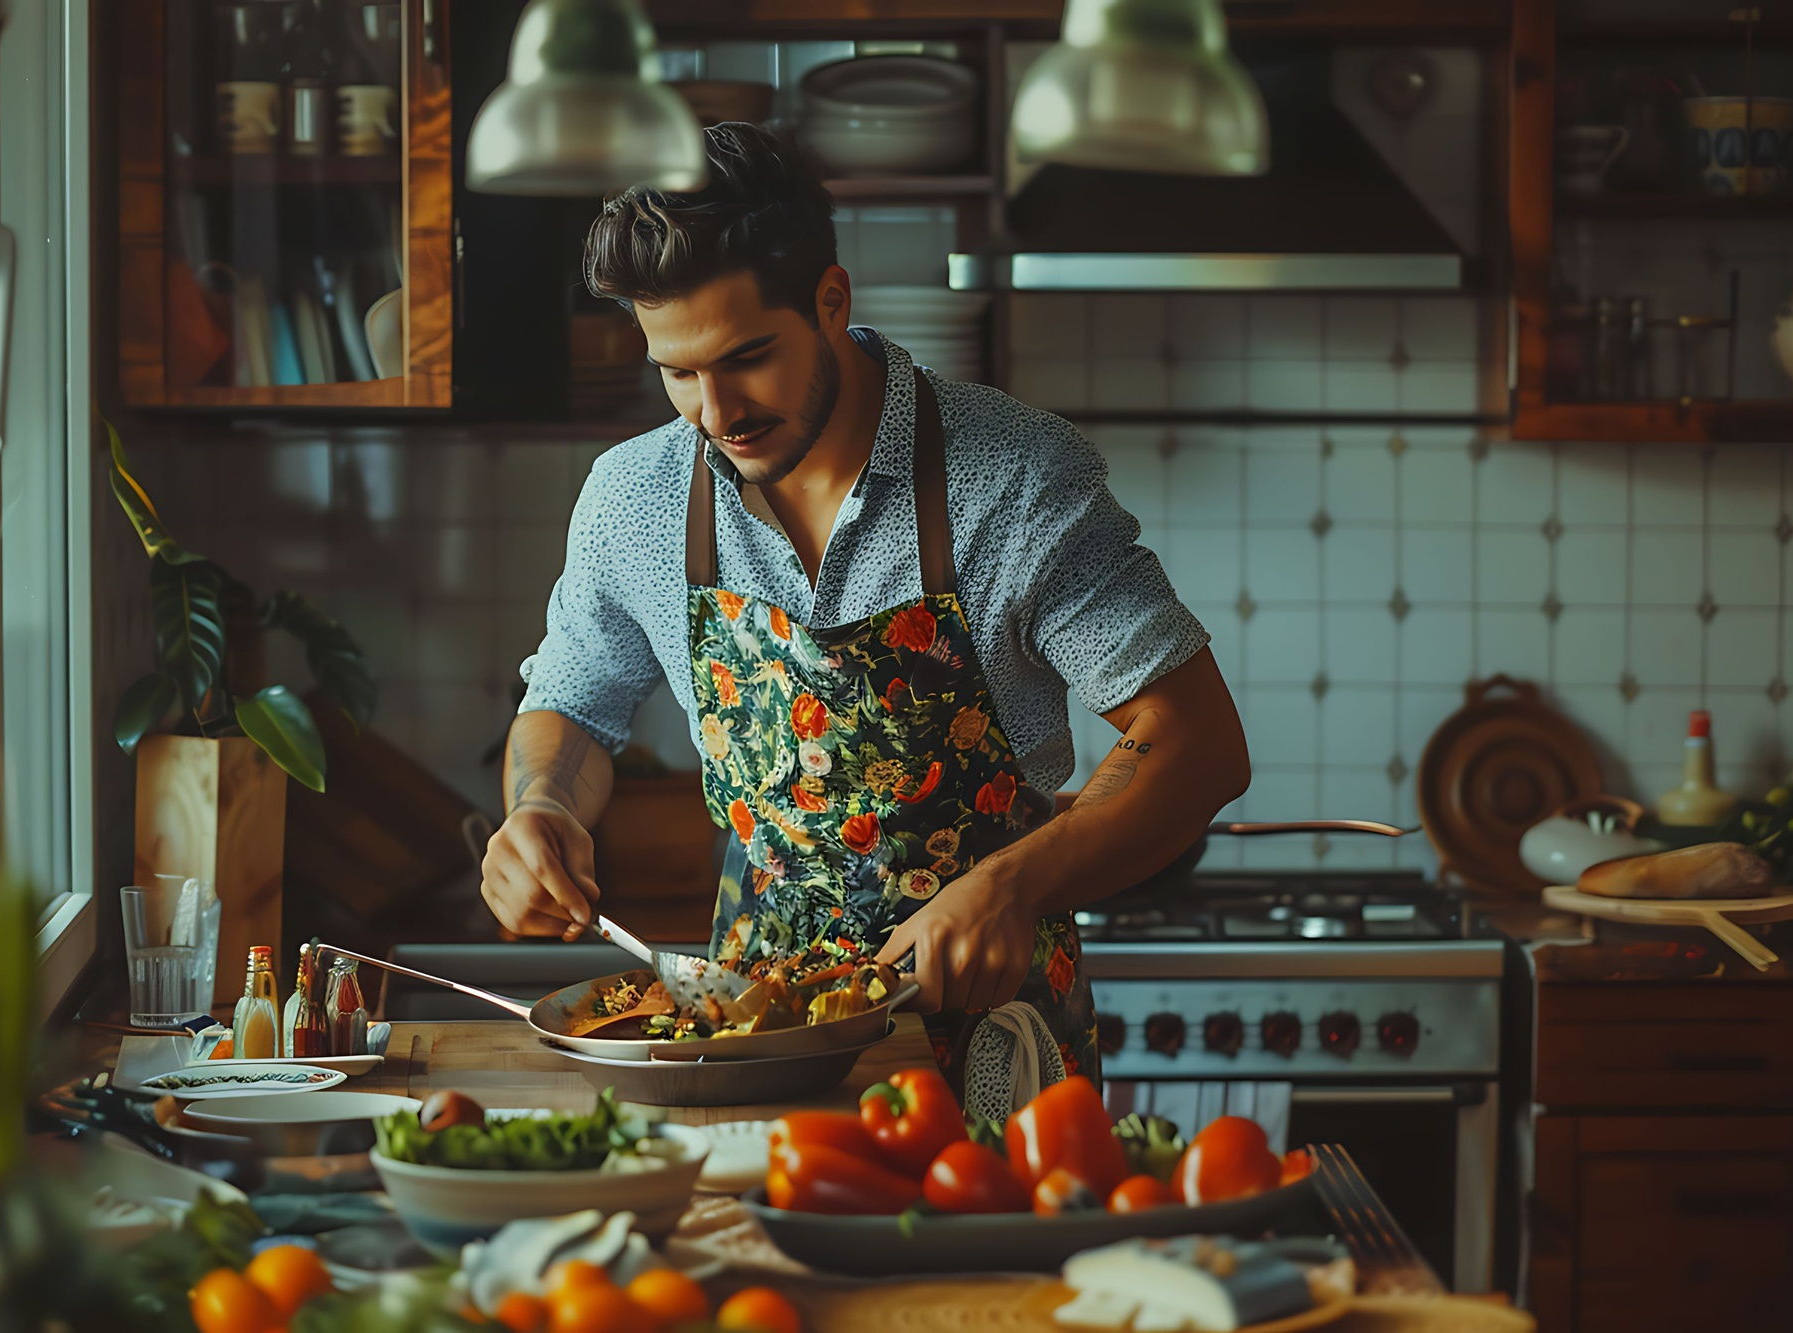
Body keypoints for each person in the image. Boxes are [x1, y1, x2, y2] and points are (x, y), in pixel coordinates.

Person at [480, 122, 1248, 1096]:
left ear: (830, 300)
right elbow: (575, 707)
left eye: (745, 356)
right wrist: (540, 807)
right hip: (746, 1038)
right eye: (676, 371)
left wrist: (1013, 884)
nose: (714, 412)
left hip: (991, 1040)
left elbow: (1194, 739)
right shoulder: (630, 499)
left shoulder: (1011, 477)